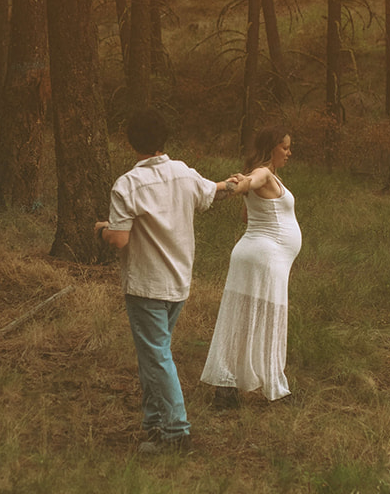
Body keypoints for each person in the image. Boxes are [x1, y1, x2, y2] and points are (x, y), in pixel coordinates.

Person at [95, 108, 237, 455]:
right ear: (164, 139)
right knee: (155, 356)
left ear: (131, 142)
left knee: (156, 357)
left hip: (146, 285)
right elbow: (210, 192)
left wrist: (101, 230)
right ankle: (154, 424)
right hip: (178, 282)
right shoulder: (184, 174)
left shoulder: (128, 184)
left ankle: (176, 432)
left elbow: (119, 240)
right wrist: (230, 185)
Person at [201, 125, 302, 404]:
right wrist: (238, 185)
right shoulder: (264, 173)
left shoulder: (270, 178)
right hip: (265, 257)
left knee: (240, 319)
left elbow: (247, 215)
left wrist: (246, 189)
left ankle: (226, 387)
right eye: (285, 147)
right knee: (268, 320)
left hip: (253, 252)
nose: (289, 152)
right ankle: (276, 389)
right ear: (272, 148)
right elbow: (252, 180)